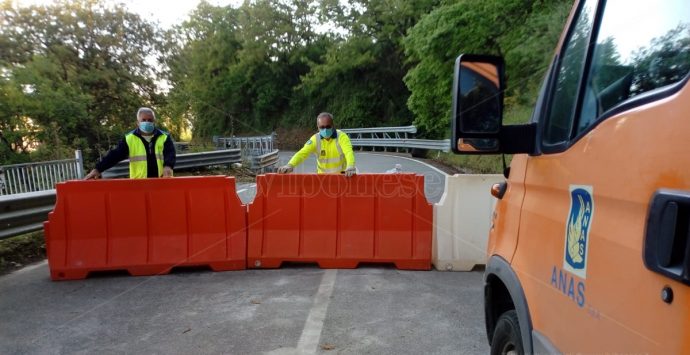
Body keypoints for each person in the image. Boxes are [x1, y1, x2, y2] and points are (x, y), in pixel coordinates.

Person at [84, 107, 176, 179]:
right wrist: (98, 169)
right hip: (138, 185)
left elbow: (170, 154)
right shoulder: (129, 139)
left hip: (162, 182)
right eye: (143, 120)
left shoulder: (164, 137)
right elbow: (114, 155)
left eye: (150, 120)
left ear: (154, 122)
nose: (147, 122)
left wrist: (168, 166)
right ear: (138, 122)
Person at [278, 112, 356, 176]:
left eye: (328, 126)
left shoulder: (342, 137)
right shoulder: (315, 139)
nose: (325, 129)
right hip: (322, 179)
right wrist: (290, 165)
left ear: (333, 125)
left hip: (341, 178)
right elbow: (302, 153)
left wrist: (350, 166)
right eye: (322, 127)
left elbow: (348, 152)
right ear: (318, 128)